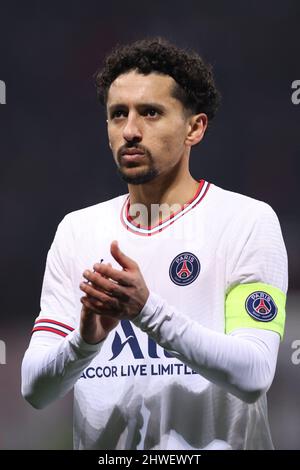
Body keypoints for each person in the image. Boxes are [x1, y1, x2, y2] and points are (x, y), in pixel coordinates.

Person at [21, 37, 288, 450]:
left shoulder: (247, 222)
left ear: (194, 128)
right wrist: (85, 341)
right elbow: (35, 390)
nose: (130, 130)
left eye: (150, 113)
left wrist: (146, 310)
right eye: (117, 115)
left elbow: (253, 375)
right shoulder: (78, 231)